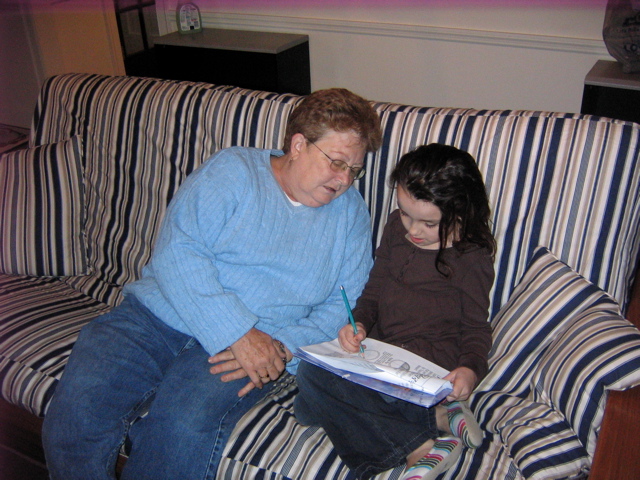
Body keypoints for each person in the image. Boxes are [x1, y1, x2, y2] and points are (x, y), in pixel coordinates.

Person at [42, 88, 382, 480]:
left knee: (181, 424)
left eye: (354, 169)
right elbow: (178, 250)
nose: (345, 180)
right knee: (78, 415)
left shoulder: (350, 215)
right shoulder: (234, 169)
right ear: (299, 144)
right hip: (156, 317)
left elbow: (344, 304)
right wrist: (236, 331)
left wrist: (281, 346)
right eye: (337, 163)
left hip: (260, 343)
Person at [294, 143, 496, 480]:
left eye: (428, 223)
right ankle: (439, 419)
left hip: (427, 367)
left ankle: (421, 448)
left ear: (461, 213)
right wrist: (357, 323)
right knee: (305, 407)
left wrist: (469, 370)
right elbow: (373, 292)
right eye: (404, 213)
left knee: (313, 384)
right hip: (381, 355)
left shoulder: (471, 257)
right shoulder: (396, 229)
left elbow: (477, 327)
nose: (412, 230)